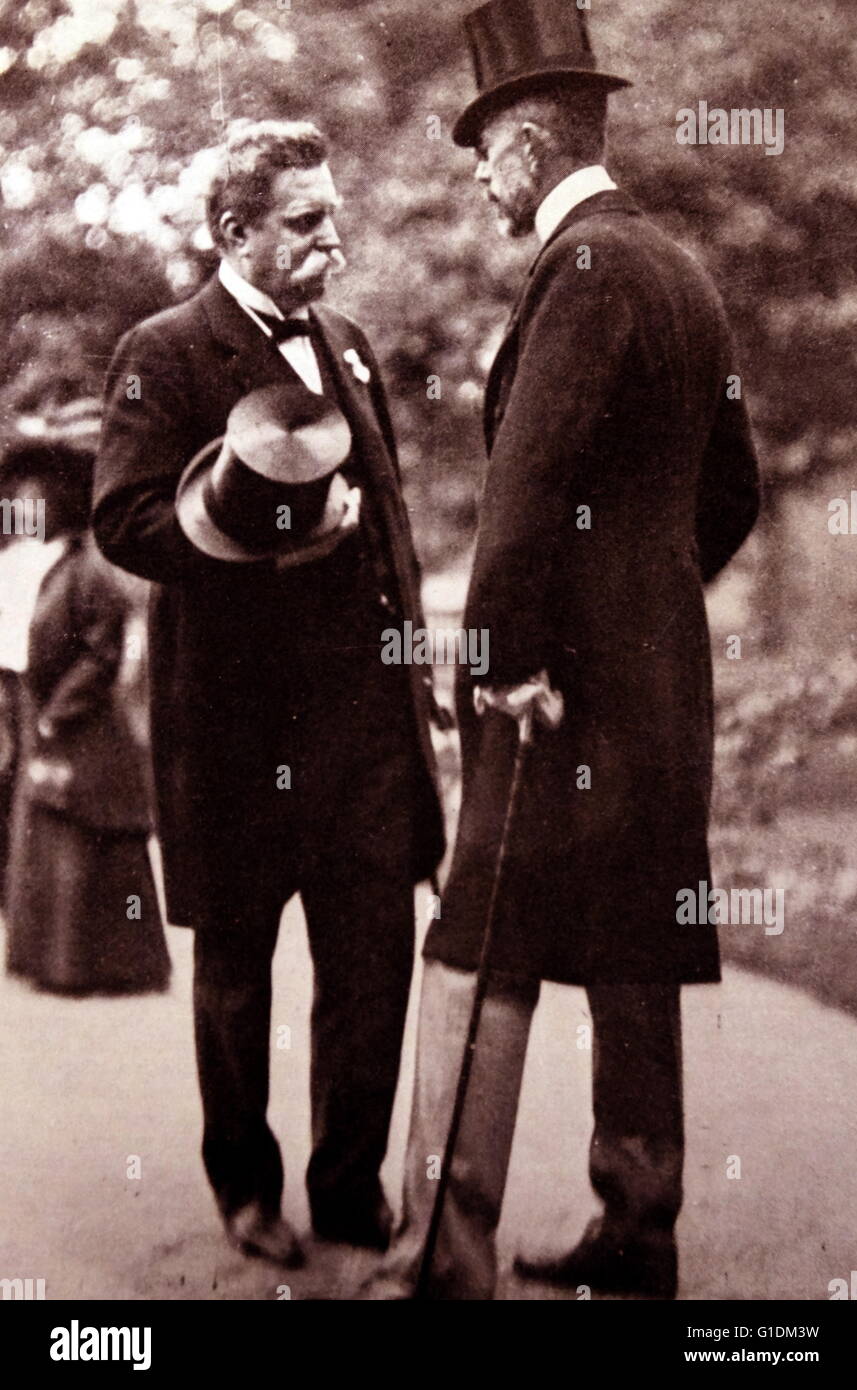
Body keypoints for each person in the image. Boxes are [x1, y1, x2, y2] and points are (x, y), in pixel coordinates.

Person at [366, 0, 761, 1300]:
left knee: (481, 932)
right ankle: (639, 1231)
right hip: (659, 695)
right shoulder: (682, 269)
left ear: (532, 143)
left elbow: (524, 497)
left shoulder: (578, 270)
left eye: (484, 147)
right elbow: (735, 494)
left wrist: (502, 658)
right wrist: (647, 604)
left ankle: (443, 1248)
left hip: (549, 702)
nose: (479, 175)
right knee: (637, 939)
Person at [93, 119, 445, 1268]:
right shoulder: (164, 347)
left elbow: (386, 515)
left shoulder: (343, 342)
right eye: (304, 222)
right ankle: (245, 1188)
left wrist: (417, 671)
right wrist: (268, 541)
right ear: (233, 231)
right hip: (238, 729)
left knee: (371, 961)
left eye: (332, 214)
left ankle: (348, 1185)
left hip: (362, 731)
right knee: (236, 972)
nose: (330, 240)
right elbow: (125, 520)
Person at [2, 399, 169, 996]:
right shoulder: (37, 565)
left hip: (84, 723)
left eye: (33, 499)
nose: (22, 508)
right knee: (46, 830)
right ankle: (49, 961)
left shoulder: (87, 569)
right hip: (40, 712)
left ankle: (105, 965)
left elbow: (101, 652)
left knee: (88, 832)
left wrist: (59, 712)